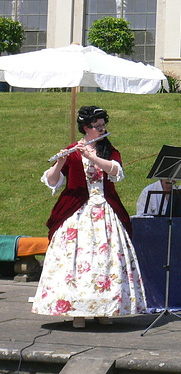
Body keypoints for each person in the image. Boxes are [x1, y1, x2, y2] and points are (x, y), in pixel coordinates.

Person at [32, 106, 147, 329]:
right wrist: (60, 163)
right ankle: (77, 313)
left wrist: (93, 157)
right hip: (77, 213)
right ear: (86, 128)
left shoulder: (108, 150)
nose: (102, 128)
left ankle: (105, 310)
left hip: (105, 211)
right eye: (98, 126)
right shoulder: (72, 151)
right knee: (75, 262)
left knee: (106, 262)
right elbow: (53, 181)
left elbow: (116, 171)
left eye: (104, 125)